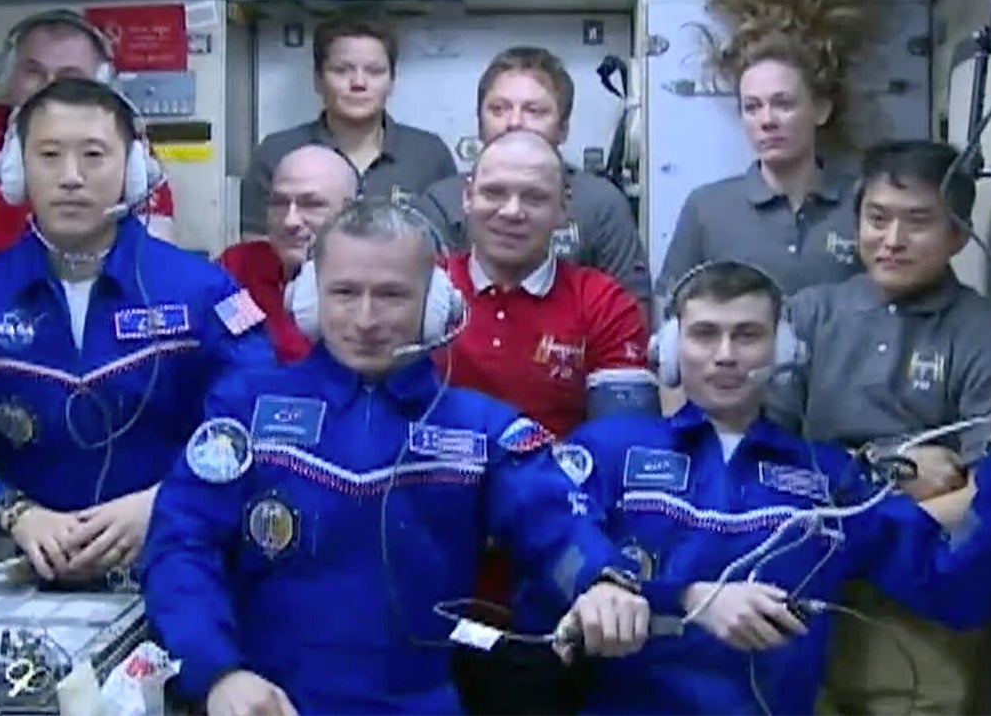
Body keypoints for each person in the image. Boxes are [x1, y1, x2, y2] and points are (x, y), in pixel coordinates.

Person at [141, 198, 651, 715]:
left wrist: (601, 582)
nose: (365, 319)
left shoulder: (480, 430)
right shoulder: (246, 408)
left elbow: (556, 525)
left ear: (436, 306)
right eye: (344, 292)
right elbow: (181, 544)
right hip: (265, 704)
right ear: (309, 298)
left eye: (391, 295)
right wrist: (218, 672)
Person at [519, 261, 991, 715]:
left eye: (748, 335)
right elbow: (542, 577)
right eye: (704, 334)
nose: (725, 354)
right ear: (670, 350)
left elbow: (960, 593)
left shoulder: (832, 480)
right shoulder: (610, 450)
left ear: (783, 350)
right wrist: (682, 599)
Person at [0, 78, 272, 581]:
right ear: (15, 168)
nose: (71, 177)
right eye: (49, 155)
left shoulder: (204, 292)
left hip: (181, 560)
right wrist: (14, 513)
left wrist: (170, 499)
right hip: (35, 570)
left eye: (94, 155)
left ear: (133, 169)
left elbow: (256, 414)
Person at [772, 140, 991, 715]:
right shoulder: (810, 313)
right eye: (877, 218)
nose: (892, 239)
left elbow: (982, 495)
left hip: (920, 597)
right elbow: (769, 461)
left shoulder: (983, 333)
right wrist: (892, 472)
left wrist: (849, 506)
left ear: (959, 235)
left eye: (918, 222)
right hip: (807, 581)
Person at [442, 128, 656, 714]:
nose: (512, 211)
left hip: (552, 580)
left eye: (534, 197)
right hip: (430, 571)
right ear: (467, 196)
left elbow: (621, 455)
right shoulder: (421, 290)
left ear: (564, 208)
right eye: (495, 192)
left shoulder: (601, 302)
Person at [0, 9, 175, 281]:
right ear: (10, 74)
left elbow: (159, 255)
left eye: (69, 76)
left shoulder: (126, 150)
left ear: (101, 83)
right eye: (33, 72)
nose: (48, 87)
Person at [658, 0, 872, 303]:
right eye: (752, 107)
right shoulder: (707, 209)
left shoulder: (863, 204)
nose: (767, 120)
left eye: (783, 104)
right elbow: (671, 310)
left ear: (821, 109)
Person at [414, 46, 651, 310]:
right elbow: (416, 303)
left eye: (534, 111)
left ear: (563, 128)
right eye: (499, 109)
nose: (514, 122)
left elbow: (631, 311)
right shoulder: (443, 203)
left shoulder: (601, 204)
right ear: (480, 124)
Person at [241, 14, 455, 235]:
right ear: (318, 79)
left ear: (392, 81)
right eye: (341, 70)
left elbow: (452, 245)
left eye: (374, 71)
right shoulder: (277, 152)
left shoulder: (429, 154)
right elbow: (256, 245)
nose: (359, 83)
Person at [219, 143, 359, 362]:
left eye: (312, 204)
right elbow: (223, 344)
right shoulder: (239, 267)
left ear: (351, 211)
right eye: (279, 203)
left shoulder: (381, 281)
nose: (289, 221)